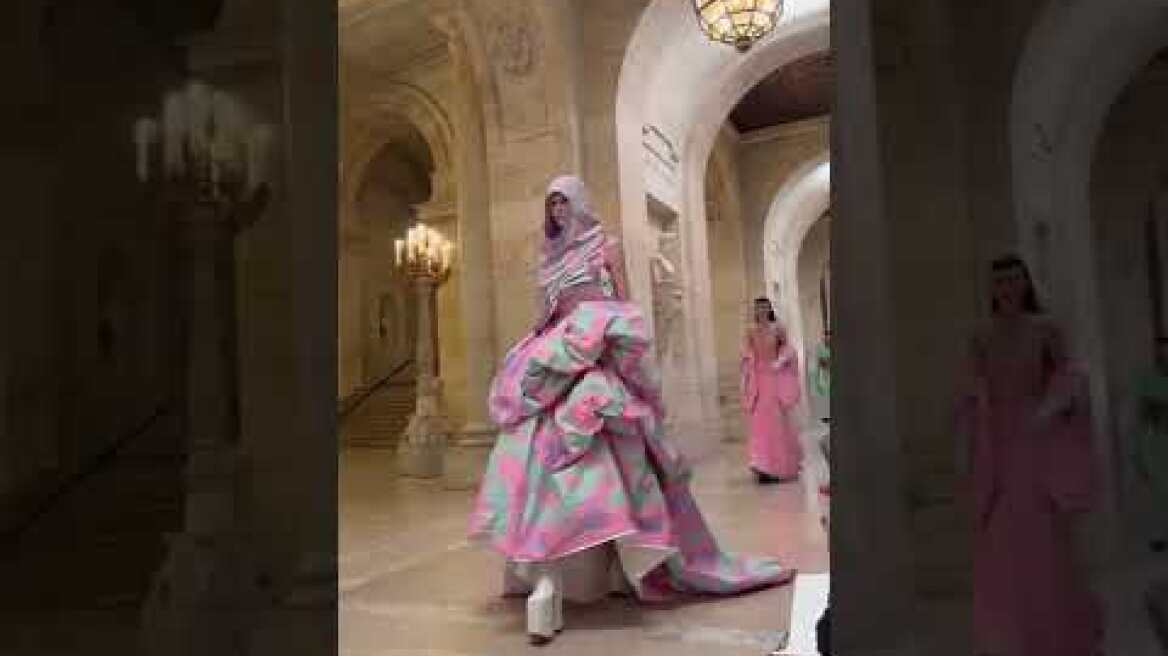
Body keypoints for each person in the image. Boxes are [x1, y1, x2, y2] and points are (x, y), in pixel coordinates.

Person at [467, 175, 793, 644]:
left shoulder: (606, 245)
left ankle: (625, 565)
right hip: (559, 348)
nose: (558, 212)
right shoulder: (549, 257)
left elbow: (621, 299)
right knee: (535, 449)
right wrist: (537, 345)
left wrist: (611, 336)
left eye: (563, 203)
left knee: (612, 445)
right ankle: (547, 564)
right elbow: (546, 312)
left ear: (578, 203)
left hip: (598, 345)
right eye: (551, 205)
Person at [955, 254, 1102, 656]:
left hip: (1037, 444)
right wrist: (972, 410)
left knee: (1044, 542)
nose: (1007, 289)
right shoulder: (980, 336)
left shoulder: (1045, 330)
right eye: (999, 282)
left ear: (1025, 284)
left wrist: (1051, 407)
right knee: (1000, 543)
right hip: (995, 445)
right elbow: (968, 390)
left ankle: (1053, 634)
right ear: (991, 288)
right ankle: (1010, 639)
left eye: (1014, 281)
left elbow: (1071, 376)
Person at [741, 298, 803, 483]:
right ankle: (762, 466)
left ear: (769, 309)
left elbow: (788, 349)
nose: (761, 311)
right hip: (758, 381)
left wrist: (781, 361)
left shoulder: (778, 328)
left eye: (764, 307)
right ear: (755, 310)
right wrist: (748, 360)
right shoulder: (750, 330)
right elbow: (745, 352)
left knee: (777, 424)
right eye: (758, 308)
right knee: (760, 426)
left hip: (774, 379)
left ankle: (779, 466)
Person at [1127, 337, 1168, 552]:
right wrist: (1137, 455)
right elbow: (1140, 416)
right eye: (1163, 351)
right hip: (1155, 444)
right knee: (1157, 494)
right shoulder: (1146, 379)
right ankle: (1158, 537)